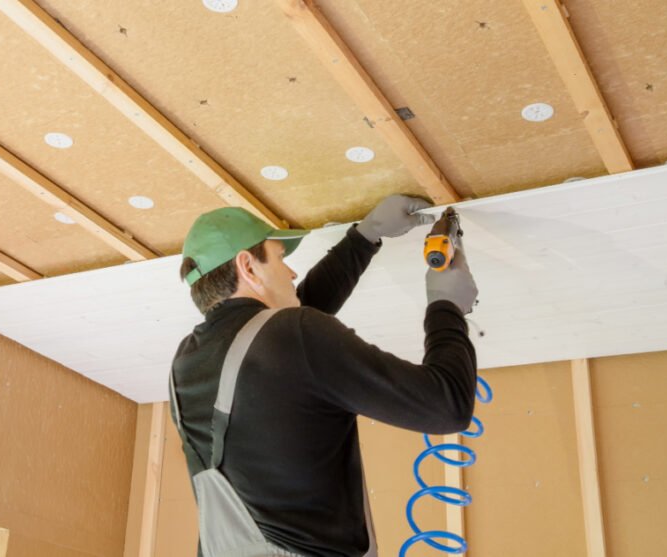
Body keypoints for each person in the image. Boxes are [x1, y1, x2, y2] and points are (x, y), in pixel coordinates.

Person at [170, 194, 479, 557]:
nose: (292, 273)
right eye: (281, 259)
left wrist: (365, 237)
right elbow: (446, 407)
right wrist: (447, 309)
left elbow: (286, 335)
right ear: (248, 267)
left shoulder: (186, 363)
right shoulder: (289, 340)